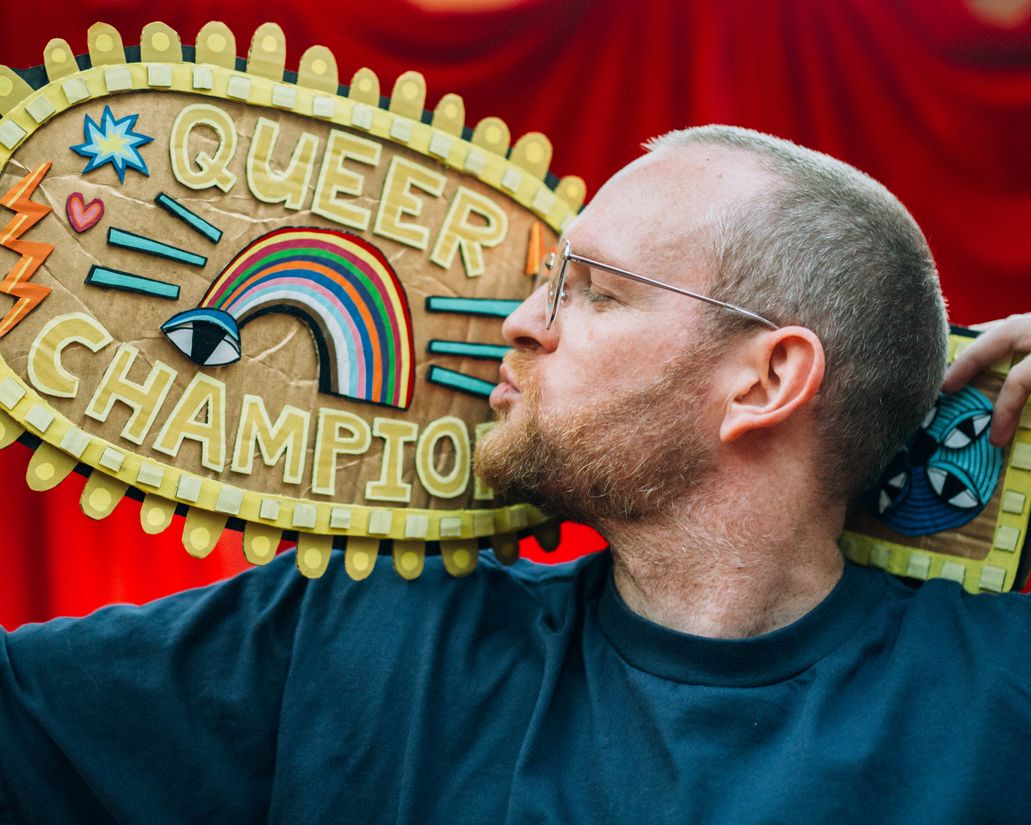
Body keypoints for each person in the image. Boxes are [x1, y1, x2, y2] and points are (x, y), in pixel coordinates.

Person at [2, 125, 1031, 824]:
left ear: (767, 379)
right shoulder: (360, 640)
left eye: (589, 292)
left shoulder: (999, 702)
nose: (517, 323)